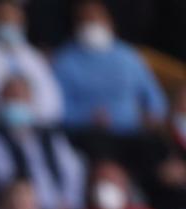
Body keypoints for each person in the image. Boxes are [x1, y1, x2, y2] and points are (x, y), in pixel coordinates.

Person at [0, 75, 87, 209]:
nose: (17, 102)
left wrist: (68, 205)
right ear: (2, 102)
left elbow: (73, 172)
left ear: (31, 100)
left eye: (22, 97)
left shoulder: (51, 135)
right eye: (12, 97)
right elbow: (3, 178)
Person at [51, 4, 165, 147]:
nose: (92, 25)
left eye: (96, 19)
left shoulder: (129, 56)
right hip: (87, 136)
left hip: (133, 132)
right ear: (76, 26)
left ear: (109, 22)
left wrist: (153, 115)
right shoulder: (65, 61)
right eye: (85, 21)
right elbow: (55, 108)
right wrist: (86, 118)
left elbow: (154, 96)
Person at [0, 2, 62, 128]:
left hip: (39, 127)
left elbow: (51, 100)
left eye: (14, 19)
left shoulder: (30, 53)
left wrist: (33, 115)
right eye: (4, 19)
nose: (9, 24)